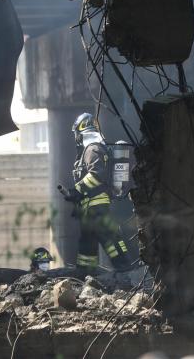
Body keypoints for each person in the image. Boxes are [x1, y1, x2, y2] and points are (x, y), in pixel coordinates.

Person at [64, 113, 131, 272]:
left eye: (76, 134)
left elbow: (96, 174)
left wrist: (76, 190)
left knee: (110, 239)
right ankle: (85, 275)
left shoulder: (92, 149)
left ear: (81, 132)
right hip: (89, 209)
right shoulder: (92, 148)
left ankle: (127, 273)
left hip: (97, 207)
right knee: (87, 245)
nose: (76, 138)